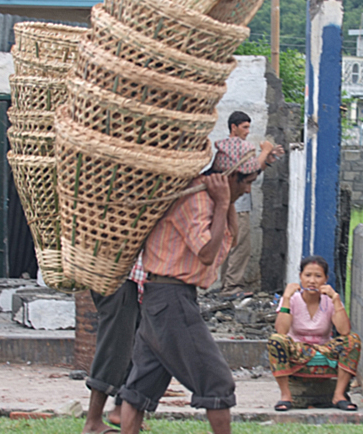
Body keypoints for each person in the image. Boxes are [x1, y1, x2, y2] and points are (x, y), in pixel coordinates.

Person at [118, 137, 261, 434]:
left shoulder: (210, 197)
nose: (248, 189)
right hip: (172, 299)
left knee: (142, 383)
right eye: (246, 182)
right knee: (217, 382)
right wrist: (223, 202)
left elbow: (229, 237)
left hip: (163, 298)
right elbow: (208, 254)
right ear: (230, 177)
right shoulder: (197, 200)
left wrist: (226, 202)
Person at [267, 255, 361, 412]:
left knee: (353, 340)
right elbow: (281, 331)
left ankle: (339, 395)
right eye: (308, 275)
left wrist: (336, 299)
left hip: (324, 350)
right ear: (300, 277)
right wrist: (286, 297)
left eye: (318, 276)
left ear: (325, 279)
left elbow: (344, 331)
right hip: (297, 350)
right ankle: (286, 396)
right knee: (276, 340)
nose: (312, 281)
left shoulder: (330, 300)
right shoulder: (293, 299)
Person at [219, 111, 284, 298]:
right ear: (234, 127)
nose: (248, 131)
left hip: (235, 205)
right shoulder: (234, 146)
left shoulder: (233, 147)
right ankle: (231, 287)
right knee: (241, 247)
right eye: (244, 127)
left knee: (231, 246)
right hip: (237, 207)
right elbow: (247, 171)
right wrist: (264, 151)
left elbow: (252, 174)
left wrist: (267, 160)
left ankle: (227, 285)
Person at [82, 264, 145, 434]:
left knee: (136, 342)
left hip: (131, 276)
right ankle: (93, 422)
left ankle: (120, 408)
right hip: (115, 275)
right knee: (115, 345)